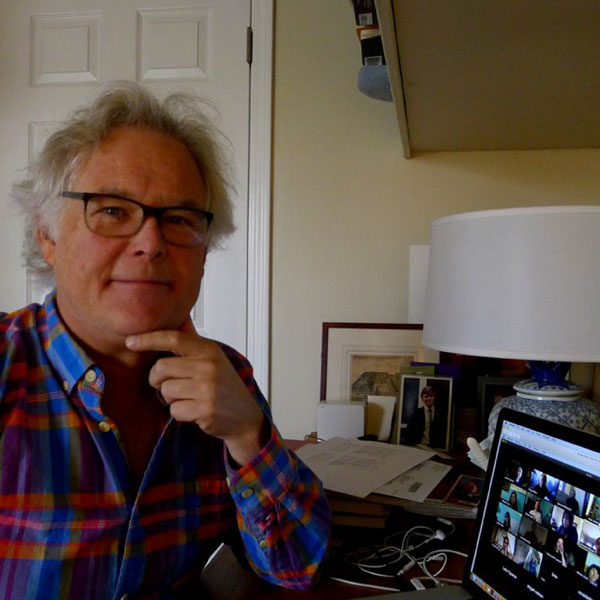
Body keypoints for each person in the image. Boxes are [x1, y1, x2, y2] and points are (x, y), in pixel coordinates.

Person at [0, 82, 331, 599]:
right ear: (48, 235)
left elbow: (294, 568)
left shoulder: (229, 378)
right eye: (111, 210)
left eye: (178, 219)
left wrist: (248, 434)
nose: (151, 244)